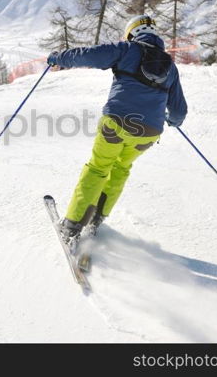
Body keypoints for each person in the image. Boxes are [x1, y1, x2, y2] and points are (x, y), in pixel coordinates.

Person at [46, 15, 187, 250]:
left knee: (99, 168)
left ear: (132, 33)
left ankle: (71, 227)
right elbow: (179, 112)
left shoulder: (126, 49)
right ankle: (96, 220)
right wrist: (170, 119)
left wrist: (58, 58)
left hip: (118, 122)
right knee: (121, 168)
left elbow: (88, 55)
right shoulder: (170, 67)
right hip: (149, 133)